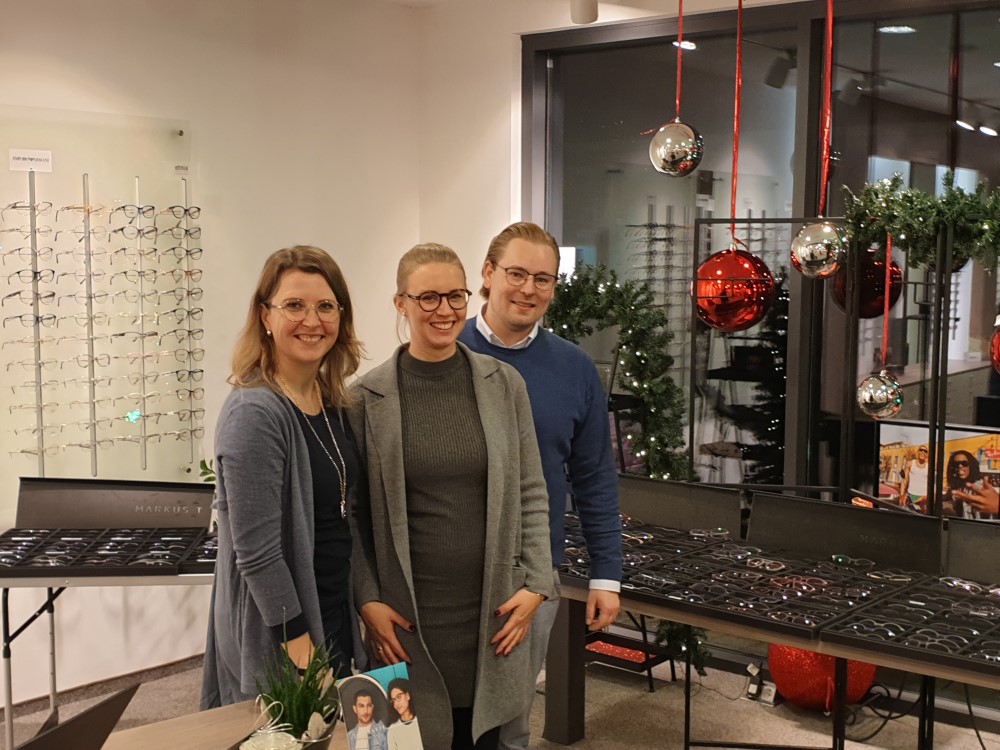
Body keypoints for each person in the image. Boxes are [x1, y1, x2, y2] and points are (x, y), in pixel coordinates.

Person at [347, 243, 554, 750]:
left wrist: (537, 582)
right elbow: (351, 516)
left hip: (490, 615)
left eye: (455, 296)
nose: (444, 310)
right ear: (401, 303)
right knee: (399, 740)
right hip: (404, 620)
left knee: (480, 737)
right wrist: (367, 599)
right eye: (428, 298)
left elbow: (531, 490)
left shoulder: (504, 384)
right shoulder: (363, 399)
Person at [458, 222, 623, 750]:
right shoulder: (442, 352)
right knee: (442, 718)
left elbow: (594, 477)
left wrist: (606, 575)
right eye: (516, 274)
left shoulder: (575, 370)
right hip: (445, 574)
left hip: (531, 576)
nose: (528, 289)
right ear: (488, 273)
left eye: (543, 279)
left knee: (511, 724)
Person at [201, 245, 364, 708]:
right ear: (265, 316)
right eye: (294, 305)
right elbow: (258, 554)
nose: (312, 320)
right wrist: (306, 660)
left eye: (325, 306)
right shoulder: (255, 412)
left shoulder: (331, 402)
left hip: (330, 609)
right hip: (284, 633)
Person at [947, 449, 1000, 519]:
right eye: (956, 464)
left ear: (971, 466)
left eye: (964, 463)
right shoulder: (959, 486)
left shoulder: (978, 488)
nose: (960, 466)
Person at [386, 678, 422, 750]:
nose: (396, 704)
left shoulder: (423, 719)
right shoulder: (392, 730)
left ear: (408, 695)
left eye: (398, 697)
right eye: (393, 700)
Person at [898, 445, 929, 512]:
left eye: (925, 451)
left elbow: (931, 484)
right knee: (908, 515)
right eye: (921, 450)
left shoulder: (929, 467)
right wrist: (901, 495)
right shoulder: (910, 463)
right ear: (918, 452)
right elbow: (904, 480)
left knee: (922, 517)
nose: (923, 452)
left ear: (927, 454)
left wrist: (926, 497)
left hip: (923, 497)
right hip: (911, 495)